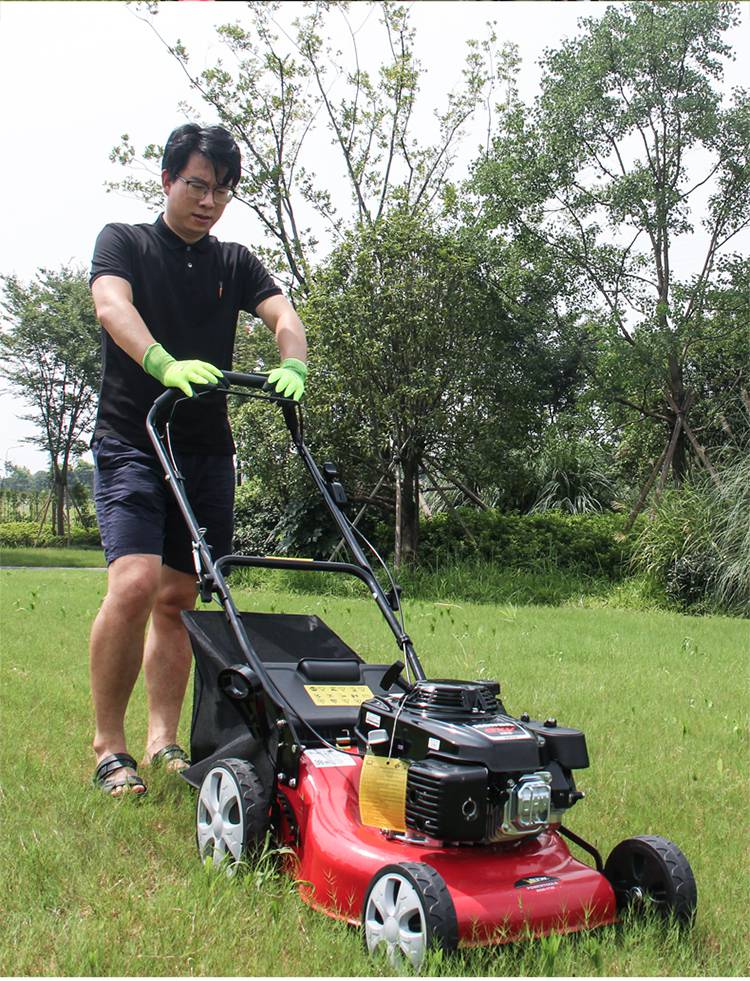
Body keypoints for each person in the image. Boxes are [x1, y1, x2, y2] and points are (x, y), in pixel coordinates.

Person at [88, 123, 307, 796]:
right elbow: (109, 303)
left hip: (205, 448)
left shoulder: (233, 261)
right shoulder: (124, 240)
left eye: (222, 190)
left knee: (179, 596)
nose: (209, 201)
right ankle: (109, 746)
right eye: (197, 184)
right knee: (134, 582)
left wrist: (293, 363)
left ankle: (162, 740)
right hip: (134, 435)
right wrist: (159, 360)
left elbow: (283, 317)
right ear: (168, 180)